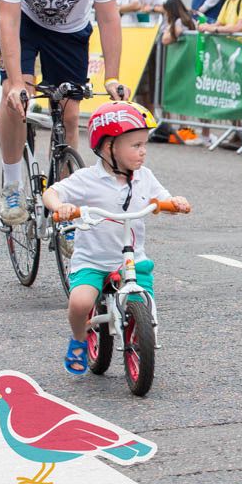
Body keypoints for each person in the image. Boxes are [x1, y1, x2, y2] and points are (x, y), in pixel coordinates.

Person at [0, 0, 126, 225]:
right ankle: (11, 186)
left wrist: (112, 76)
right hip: (24, 22)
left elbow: (108, 16)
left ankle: (65, 202)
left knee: (69, 115)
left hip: (70, 28)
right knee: (15, 97)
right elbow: (8, 20)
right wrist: (16, 82)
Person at [42, 101, 190, 375]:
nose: (143, 151)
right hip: (93, 260)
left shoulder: (144, 177)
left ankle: (140, 339)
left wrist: (175, 203)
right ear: (109, 146)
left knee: (145, 305)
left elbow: (163, 199)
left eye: (144, 144)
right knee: (80, 303)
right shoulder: (87, 179)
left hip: (132, 260)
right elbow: (51, 192)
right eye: (135, 145)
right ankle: (79, 339)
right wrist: (60, 206)